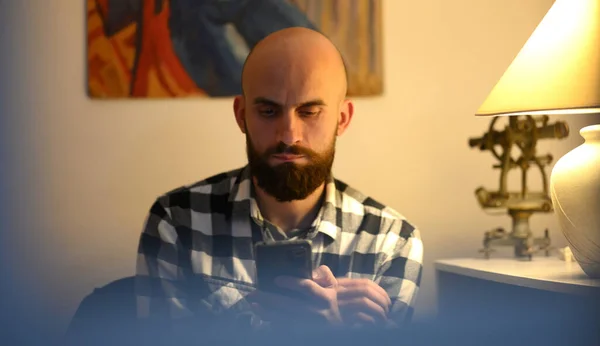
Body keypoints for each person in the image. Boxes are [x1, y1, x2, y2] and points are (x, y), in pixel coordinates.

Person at [135, 27, 423, 337]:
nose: (289, 135)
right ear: (241, 115)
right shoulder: (177, 222)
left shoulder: (390, 241)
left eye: (310, 111)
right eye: (269, 111)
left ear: (342, 118)